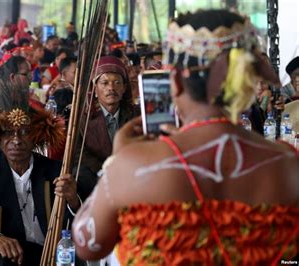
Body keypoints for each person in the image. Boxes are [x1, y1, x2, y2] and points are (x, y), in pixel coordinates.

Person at [73, 10, 299, 264]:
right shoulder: (288, 163)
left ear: (176, 82)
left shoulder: (134, 164)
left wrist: (116, 162)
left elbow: (87, 244)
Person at [0, 80, 81, 266]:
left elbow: (81, 224)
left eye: (24, 132)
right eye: (9, 132)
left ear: (35, 137)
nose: (16, 140)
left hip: (52, 255)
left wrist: (73, 200)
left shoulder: (54, 170)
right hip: (13, 257)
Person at [78, 55, 138, 175]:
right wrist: (105, 172)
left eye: (117, 83)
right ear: (95, 89)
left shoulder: (136, 115)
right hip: (96, 178)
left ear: (124, 88)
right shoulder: (82, 118)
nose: (111, 88)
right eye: (104, 83)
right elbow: (80, 155)